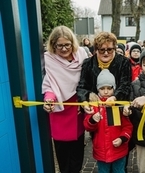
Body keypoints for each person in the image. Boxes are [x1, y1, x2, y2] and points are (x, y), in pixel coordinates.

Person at [42, 25, 88, 173]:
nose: (63, 49)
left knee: (77, 154)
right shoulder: (48, 59)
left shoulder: (82, 54)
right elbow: (49, 84)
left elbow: (88, 79)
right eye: (59, 45)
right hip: (60, 110)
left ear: (72, 43)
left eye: (67, 44)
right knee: (63, 156)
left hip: (78, 108)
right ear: (53, 45)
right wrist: (49, 100)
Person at [83, 69, 133, 173]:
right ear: (98, 89)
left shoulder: (118, 105)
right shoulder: (94, 105)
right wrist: (92, 120)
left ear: (114, 88)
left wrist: (122, 138)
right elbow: (87, 126)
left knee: (119, 171)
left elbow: (127, 126)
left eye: (109, 88)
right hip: (101, 152)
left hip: (119, 150)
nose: (106, 92)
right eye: (102, 88)